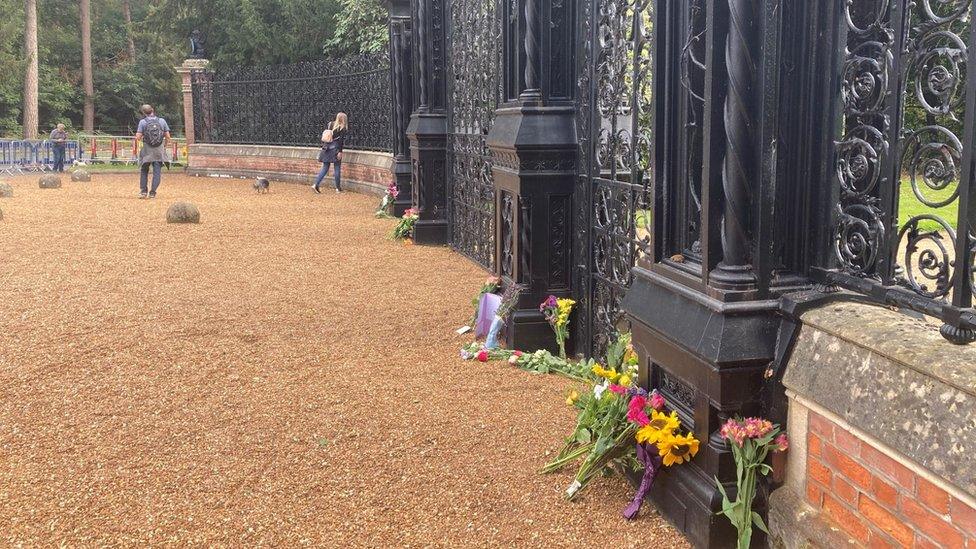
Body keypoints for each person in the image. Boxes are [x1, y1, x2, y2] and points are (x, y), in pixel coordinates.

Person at [134, 104, 171, 199]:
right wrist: (165, 145)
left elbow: (138, 137)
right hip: (159, 151)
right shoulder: (162, 121)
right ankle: (153, 192)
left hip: (147, 151)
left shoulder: (142, 122)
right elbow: (168, 136)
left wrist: (140, 136)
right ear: (152, 110)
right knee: (157, 172)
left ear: (143, 113)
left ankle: (143, 191)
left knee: (144, 170)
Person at [312, 112, 348, 193]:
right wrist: (340, 152)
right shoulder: (342, 128)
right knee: (337, 168)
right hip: (335, 149)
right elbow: (341, 141)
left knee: (325, 167)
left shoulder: (330, 124)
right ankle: (338, 188)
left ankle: (316, 184)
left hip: (326, 147)